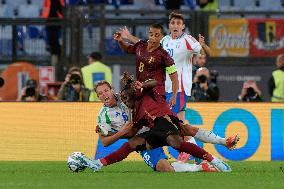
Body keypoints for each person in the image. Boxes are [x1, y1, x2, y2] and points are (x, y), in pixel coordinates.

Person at [78, 78, 233, 173]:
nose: (104, 94)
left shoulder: (126, 95)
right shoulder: (103, 116)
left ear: (112, 90)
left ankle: (220, 145)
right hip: (144, 136)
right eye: (100, 93)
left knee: (185, 130)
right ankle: (200, 167)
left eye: (106, 90)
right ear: (97, 97)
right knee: (164, 168)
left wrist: (140, 85)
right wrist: (122, 132)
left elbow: (152, 84)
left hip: (156, 123)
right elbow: (105, 142)